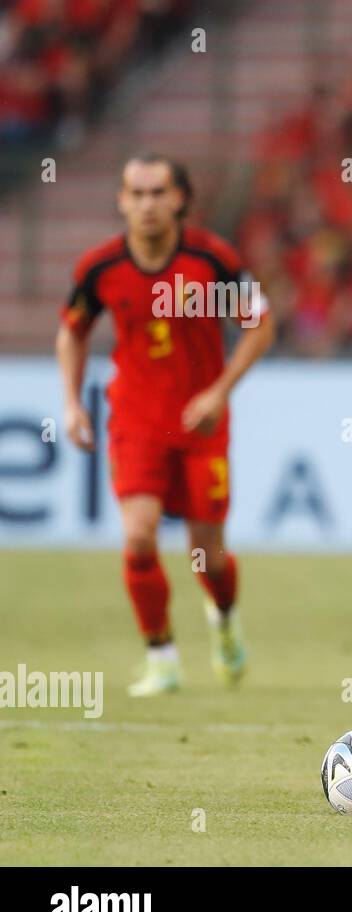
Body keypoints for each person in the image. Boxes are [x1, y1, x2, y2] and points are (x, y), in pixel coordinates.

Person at [56, 154, 274, 694]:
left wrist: (219, 392)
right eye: (138, 193)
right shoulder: (101, 269)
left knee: (209, 554)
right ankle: (162, 656)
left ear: (179, 199)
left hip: (201, 425)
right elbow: (72, 332)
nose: (148, 204)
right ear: (122, 201)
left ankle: (224, 621)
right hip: (136, 420)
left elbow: (260, 325)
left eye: (158, 193)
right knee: (138, 536)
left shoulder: (209, 260)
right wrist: (72, 404)